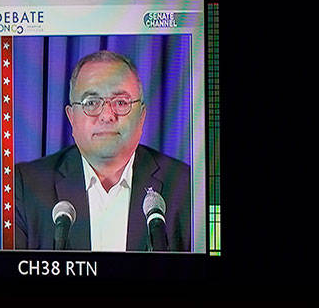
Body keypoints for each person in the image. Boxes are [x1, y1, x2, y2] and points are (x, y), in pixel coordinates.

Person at [14, 50, 191, 250]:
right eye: (91, 103)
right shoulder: (25, 186)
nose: (107, 115)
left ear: (142, 116)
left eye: (121, 102)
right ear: (71, 118)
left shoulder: (185, 186)